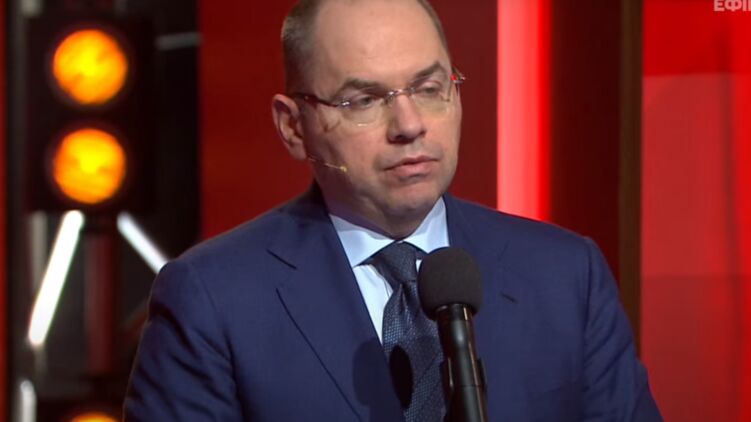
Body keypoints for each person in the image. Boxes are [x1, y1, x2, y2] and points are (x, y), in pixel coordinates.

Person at [124, 0, 662, 420]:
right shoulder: (213, 299)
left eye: (428, 88)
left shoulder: (567, 275)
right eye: (363, 100)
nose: (409, 125)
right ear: (293, 127)